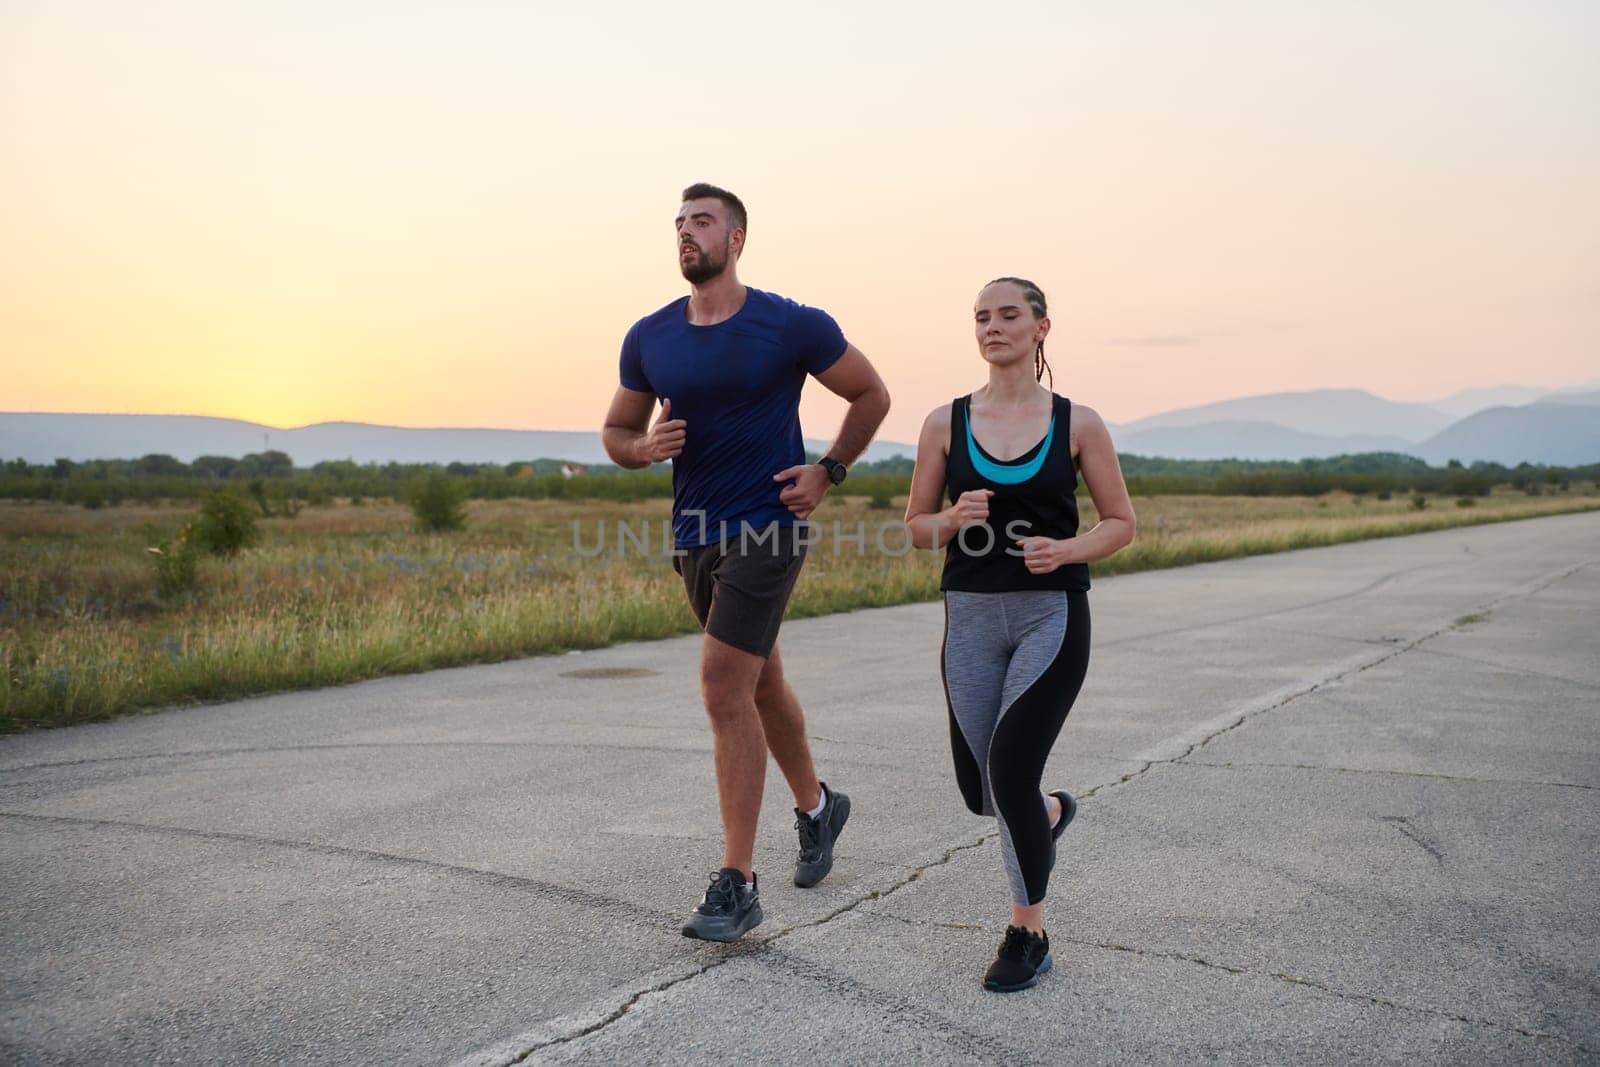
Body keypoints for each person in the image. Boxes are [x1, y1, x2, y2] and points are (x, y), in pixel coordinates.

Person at [602, 183, 890, 942]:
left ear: (736, 239)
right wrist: (642, 448)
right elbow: (616, 430)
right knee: (762, 681)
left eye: (701, 222)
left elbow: (869, 393)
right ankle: (818, 807)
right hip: (694, 532)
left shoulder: (789, 323)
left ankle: (737, 880)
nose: (686, 235)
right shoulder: (650, 336)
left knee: (722, 683)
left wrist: (830, 469)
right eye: (678, 225)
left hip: (767, 525)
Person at [904, 276, 1135, 991]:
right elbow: (916, 528)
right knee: (983, 792)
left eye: (1009, 314)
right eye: (982, 316)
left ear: (1041, 328)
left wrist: (1066, 550)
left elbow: (1121, 523)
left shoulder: (1079, 423)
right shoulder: (945, 422)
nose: (993, 325)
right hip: (970, 616)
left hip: (1049, 616)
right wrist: (950, 520)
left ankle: (1027, 930)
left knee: (1009, 769)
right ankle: (1050, 812)